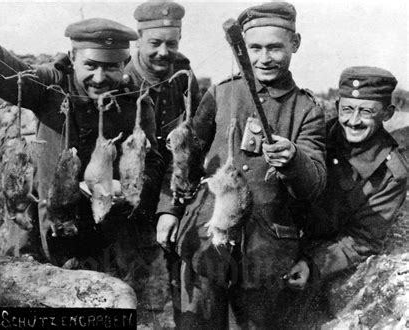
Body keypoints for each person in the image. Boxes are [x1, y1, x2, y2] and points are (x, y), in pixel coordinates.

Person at [0, 1, 165, 270]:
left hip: (107, 236)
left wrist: (130, 187)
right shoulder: (50, 86)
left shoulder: (137, 103)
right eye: (91, 65)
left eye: (111, 68)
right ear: (73, 57)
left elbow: (153, 162)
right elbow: (9, 72)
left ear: (126, 63)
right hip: (47, 232)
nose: (99, 77)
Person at [158, 2, 327, 328]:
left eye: (275, 47)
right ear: (242, 49)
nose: (265, 57)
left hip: (264, 260)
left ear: (295, 43)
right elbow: (184, 158)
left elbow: (315, 184)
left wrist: (294, 160)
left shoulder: (306, 110)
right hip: (204, 248)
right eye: (255, 48)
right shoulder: (221, 94)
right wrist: (168, 210)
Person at [287, 67, 408, 291]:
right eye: (348, 109)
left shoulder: (391, 174)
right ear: (336, 107)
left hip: (317, 255)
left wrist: (313, 264)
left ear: (387, 114)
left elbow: (363, 239)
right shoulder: (310, 138)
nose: (353, 121)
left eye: (366, 112)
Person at [124, 0, 201, 325]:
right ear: (138, 40)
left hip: (171, 205)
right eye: (155, 43)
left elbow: (189, 148)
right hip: (128, 210)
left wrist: (169, 208)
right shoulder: (122, 81)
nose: (163, 52)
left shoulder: (183, 78)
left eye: (171, 43)